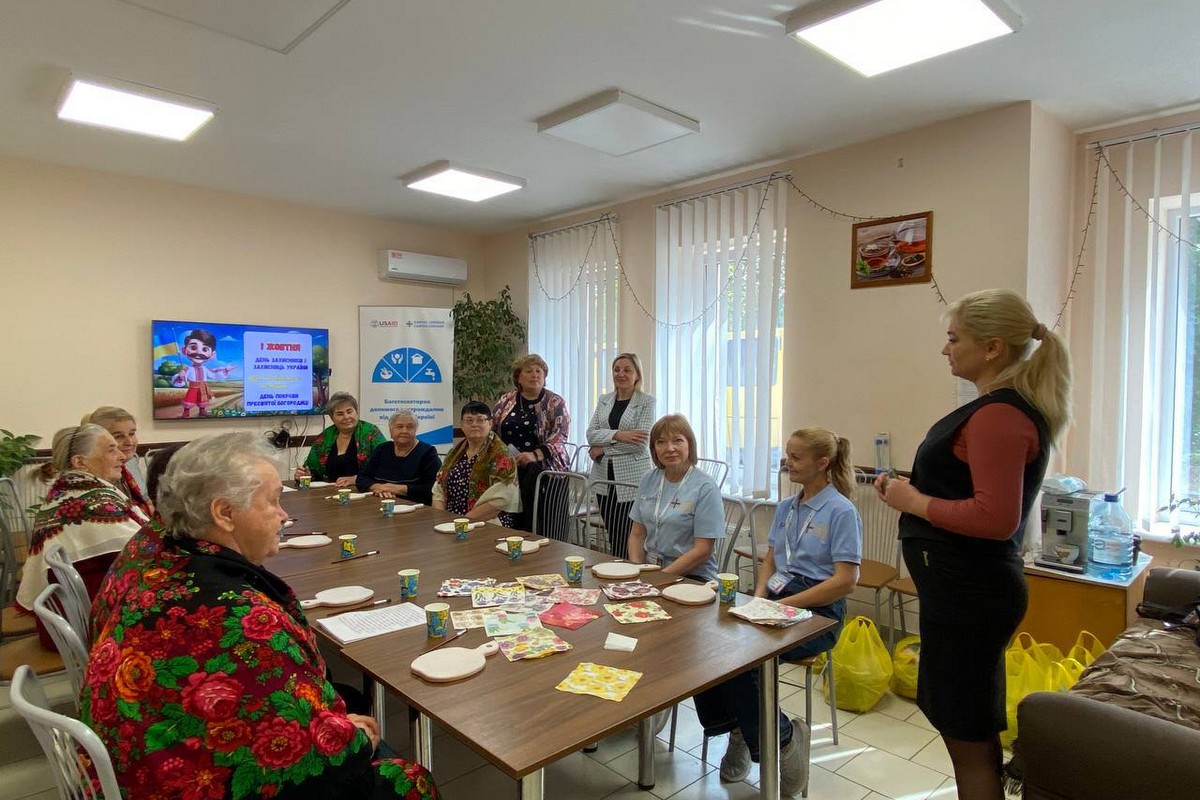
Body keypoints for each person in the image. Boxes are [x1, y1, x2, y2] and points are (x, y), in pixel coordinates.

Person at [81, 433, 439, 800]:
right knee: (408, 778)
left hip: (135, 762)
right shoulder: (237, 617)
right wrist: (355, 736)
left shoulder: (157, 552)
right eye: (273, 501)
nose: (284, 515)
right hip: (181, 780)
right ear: (224, 513)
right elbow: (324, 754)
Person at [876, 289, 1072, 800]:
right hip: (960, 595)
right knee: (964, 727)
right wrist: (909, 489)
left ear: (992, 348)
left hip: (971, 597)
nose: (946, 349)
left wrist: (911, 502)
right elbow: (967, 490)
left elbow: (994, 517)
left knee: (969, 737)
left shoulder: (999, 416)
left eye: (953, 338)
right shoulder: (991, 409)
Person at [695, 427, 863, 796]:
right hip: (777, 599)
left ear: (822, 463)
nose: (786, 462)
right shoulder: (788, 507)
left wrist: (783, 606)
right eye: (786, 454)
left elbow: (845, 581)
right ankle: (741, 727)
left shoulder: (841, 511)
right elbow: (771, 559)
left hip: (819, 611)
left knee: (746, 661)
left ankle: (783, 742)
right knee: (710, 643)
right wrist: (756, 598)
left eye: (796, 456)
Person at [16, 424, 147, 649]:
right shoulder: (91, 502)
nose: (121, 456)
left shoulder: (68, 488)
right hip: (82, 625)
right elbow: (147, 549)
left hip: (66, 616)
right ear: (79, 462)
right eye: (110, 450)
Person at [627, 414, 724, 581]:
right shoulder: (648, 479)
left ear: (689, 445)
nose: (669, 448)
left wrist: (660, 578)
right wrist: (637, 571)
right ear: (654, 449)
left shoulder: (705, 487)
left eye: (677, 440)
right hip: (651, 571)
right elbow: (637, 535)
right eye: (661, 442)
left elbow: (703, 550)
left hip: (693, 577)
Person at [491, 354, 570, 532]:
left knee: (544, 525)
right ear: (518, 377)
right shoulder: (507, 400)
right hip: (511, 468)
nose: (535, 375)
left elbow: (561, 434)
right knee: (513, 523)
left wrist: (535, 455)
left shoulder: (554, 401)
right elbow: (492, 429)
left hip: (547, 471)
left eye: (539, 371)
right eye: (529, 371)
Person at [432, 402, 519, 525]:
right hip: (450, 521)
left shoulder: (502, 455)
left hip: (488, 522)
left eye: (480, 420)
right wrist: (440, 520)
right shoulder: (454, 454)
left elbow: (500, 499)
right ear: (462, 425)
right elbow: (438, 490)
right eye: (469, 420)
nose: (475, 425)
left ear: (490, 424)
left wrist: (461, 523)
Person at [295, 391, 385, 487]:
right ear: (332, 417)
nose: (346, 417)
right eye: (340, 414)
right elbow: (312, 470)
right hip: (328, 493)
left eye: (349, 412)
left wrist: (356, 479)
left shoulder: (371, 432)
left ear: (356, 412)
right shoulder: (325, 436)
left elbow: (386, 466)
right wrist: (305, 475)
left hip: (363, 491)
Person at [356, 410, 442, 505]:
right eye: (399, 426)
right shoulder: (382, 449)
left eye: (410, 427)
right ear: (391, 431)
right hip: (380, 504)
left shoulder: (428, 452)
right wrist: (377, 487)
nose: (404, 431)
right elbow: (362, 478)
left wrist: (395, 489)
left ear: (415, 431)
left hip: (414, 508)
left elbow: (432, 488)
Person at [81, 405, 153, 517]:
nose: (129, 442)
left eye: (132, 434)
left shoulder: (127, 467)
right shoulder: (96, 477)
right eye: (119, 436)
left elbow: (145, 507)